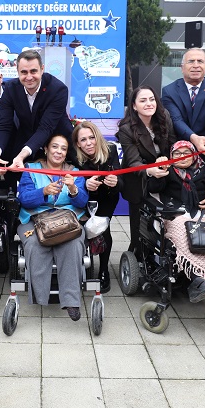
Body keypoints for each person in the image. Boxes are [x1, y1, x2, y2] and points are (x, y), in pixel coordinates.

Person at [152, 140, 205, 330]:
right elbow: (153, 187)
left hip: (199, 215)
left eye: (186, 153)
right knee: (187, 234)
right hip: (174, 216)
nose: (182, 157)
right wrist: (160, 167)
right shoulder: (168, 172)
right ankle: (199, 279)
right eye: (177, 154)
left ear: (193, 155)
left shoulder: (202, 171)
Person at [17, 132, 88, 320]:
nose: (59, 152)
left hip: (67, 221)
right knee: (34, 244)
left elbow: (82, 202)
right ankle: (41, 296)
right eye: (55, 147)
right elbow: (23, 199)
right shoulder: (30, 169)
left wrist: (73, 189)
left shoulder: (75, 172)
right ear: (46, 149)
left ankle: (72, 301)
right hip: (34, 219)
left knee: (73, 245)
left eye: (63, 149)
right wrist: (43, 192)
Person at [0, 50, 72, 171]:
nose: (29, 77)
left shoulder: (58, 89)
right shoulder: (10, 89)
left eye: (33, 71)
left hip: (57, 138)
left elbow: (46, 127)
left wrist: (22, 155)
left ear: (42, 69)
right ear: (17, 72)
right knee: (14, 173)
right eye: (24, 72)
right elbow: (4, 125)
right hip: (26, 138)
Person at [116, 85, 175, 252]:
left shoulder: (164, 117)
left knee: (166, 223)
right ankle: (135, 257)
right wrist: (151, 170)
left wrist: (168, 161)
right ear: (134, 106)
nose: (149, 104)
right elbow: (133, 162)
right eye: (143, 100)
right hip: (139, 180)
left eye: (152, 99)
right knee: (139, 227)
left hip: (164, 177)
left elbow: (173, 145)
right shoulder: (126, 129)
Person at [161, 48, 205, 171]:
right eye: (191, 61)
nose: (196, 65)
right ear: (182, 67)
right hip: (180, 156)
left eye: (200, 61)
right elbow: (176, 119)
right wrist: (194, 138)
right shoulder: (169, 91)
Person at [72, 121, 119, 293]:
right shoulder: (73, 156)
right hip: (83, 198)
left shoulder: (111, 150)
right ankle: (81, 261)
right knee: (82, 229)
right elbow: (71, 180)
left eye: (92, 137)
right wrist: (85, 184)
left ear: (97, 137)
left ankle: (104, 269)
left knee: (103, 230)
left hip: (107, 197)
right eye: (83, 140)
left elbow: (121, 179)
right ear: (77, 143)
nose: (89, 142)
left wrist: (115, 182)